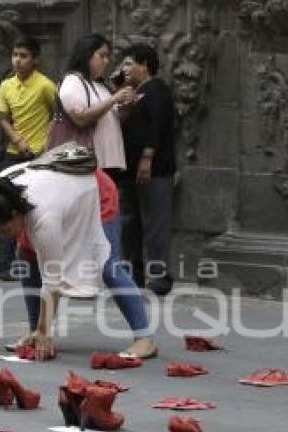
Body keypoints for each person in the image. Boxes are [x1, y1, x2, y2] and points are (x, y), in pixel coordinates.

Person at [0, 144, 158, 360]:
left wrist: (47, 331)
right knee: (27, 257)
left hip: (94, 192)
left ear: (16, 215)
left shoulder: (44, 218)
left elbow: (51, 280)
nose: (4, 236)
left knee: (107, 265)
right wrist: (41, 330)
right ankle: (35, 330)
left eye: (6, 230)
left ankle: (144, 339)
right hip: (60, 194)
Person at [0, 36, 58, 281]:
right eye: (15, 55)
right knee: (2, 204)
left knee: (34, 208)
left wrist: (45, 144)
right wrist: (17, 139)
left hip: (38, 154)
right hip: (14, 151)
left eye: (23, 56)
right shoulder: (6, 85)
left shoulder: (46, 86)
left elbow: (57, 117)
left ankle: (32, 262)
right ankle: (2, 263)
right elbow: (3, 118)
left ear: (35, 59)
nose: (17, 60)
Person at [118, 43, 177, 296]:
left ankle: (159, 276)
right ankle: (135, 273)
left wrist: (147, 156)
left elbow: (158, 125)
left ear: (144, 65)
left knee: (155, 222)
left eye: (129, 63)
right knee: (131, 223)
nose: (124, 68)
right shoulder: (133, 93)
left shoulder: (157, 90)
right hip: (129, 171)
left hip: (153, 169)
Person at [56, 33, 137, 175]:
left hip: (109, 161)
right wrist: (113, 99)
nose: (106, 61)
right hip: (89, 162)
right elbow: (80, 119)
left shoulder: (101, 85)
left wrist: (126, 107)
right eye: (102, 55)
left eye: (107, 56)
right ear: (86, 54)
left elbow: (112, 120)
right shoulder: (73, 81)